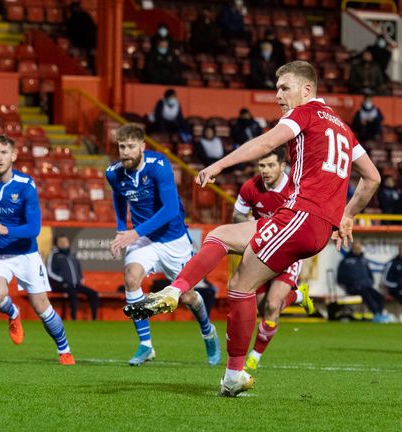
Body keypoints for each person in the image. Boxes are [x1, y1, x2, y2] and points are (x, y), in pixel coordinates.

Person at [126, 60, 381, 396]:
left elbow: (263, 144)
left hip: (300, 216)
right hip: (309, 222)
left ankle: (232, 375)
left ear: (307, 90)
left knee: (241, 287)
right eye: (276, 88)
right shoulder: (344, 129)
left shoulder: (303, 114)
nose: (278, 95)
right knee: (220, 235)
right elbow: (372, 177)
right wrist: (346, 215)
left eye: (284, 87)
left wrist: (218, 164)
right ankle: (177, 291)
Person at [106, 123, 221, 367]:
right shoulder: (113, 173)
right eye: (122, 147)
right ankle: (146, 345)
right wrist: (120, 228)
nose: (125, 152)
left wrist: (132, 233)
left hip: (173, 239)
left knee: (188, 297)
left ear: (142, 147)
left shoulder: (158, 166)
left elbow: (169, 210)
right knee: (131, 278)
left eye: (130, 147)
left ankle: (207, 330)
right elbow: (118, 195)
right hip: (145, 240)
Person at [0, 134, 75, 365]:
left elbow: (34, 228)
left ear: (13, 156)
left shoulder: (25, 186)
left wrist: (6, 230)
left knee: (42, 306)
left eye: (3, 153)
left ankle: (65, 350)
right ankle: (13, 314)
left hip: (25, 253)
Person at [233, 147, 315, 372]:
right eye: (262, 166)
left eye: (270, 166)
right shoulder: (250, 187)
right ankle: (298, 296)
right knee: (262, 306)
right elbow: (237, 215)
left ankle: (255, 357)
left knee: (271, 304)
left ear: (282, 166)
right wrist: (252, 227)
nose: (265, 171)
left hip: (289, 252)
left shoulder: (294, 188)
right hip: (263, 251)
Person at [46, 235, 100, 320]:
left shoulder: (72, 255)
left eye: (65, 242)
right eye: (61, 242)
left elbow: (78, 267)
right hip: (60, 284)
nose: (63, 244)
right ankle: (73, 318)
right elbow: (49, 271)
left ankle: (94, 318)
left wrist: (81, 278)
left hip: (75, 284)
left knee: (94, 294)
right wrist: (61, 280)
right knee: (73, 292)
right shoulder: (54, 255)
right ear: (57, 244)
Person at [337, 240, 389, 323]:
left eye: (359, 248)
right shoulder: (345, 261)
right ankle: (376, 314)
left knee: (380, 297)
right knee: (367, 295)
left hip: (366, 286)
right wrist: (352, 283)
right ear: (352, 248)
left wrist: (370, 282)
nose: (358, 250)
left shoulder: (364, 261)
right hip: (353, 288)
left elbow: (370, 274)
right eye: (356, 248)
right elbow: (340, 278)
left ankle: (380, 314)